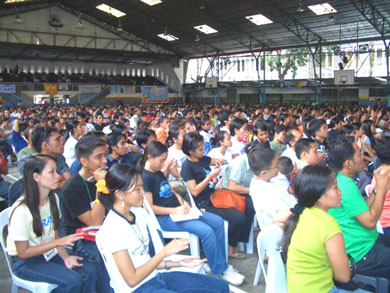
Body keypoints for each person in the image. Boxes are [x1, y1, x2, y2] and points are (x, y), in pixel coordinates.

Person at [96, 163, 229, 293]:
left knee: (220, 286)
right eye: (137, 189)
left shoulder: (138, 213)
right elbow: (132, 279)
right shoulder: (112, 230)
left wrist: (177, 263)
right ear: (120, 194)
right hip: (137, 289)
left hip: (155, 277)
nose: (142, 192)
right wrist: (165, 252)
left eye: (142, 187)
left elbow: (145, 261)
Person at [139, 141, 243, 285]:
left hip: (180, 211)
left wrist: (182, 201)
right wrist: (175, 210)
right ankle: (219, 269)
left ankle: (217, 262)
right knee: (206, 231)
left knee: (217, 222)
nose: (163, 163)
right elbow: (149, 207)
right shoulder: (145, 177)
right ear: (150, 158)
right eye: (161, 160)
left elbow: (171, 189)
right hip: (165, 218)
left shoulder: (157, 172)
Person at [7, 154, 97, 292]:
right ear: (36, 177)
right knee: (72, 281)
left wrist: (65, 257)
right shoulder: (21, 211)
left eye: (56, 171)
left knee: (89, 270)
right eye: (52, 172)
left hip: (49, 252)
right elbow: (23, 253)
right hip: (26, 262)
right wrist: (58, 244)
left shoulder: (52, 198)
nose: (58, 176)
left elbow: (54, 233)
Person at [282, 165, 361, 293]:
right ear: (319, 196)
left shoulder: (302, 212)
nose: (340, 191)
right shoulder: (328, 224)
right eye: (335, 187)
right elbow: (343, 277)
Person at [181, 132, 249, 265]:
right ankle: (226, 248)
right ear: (190, 151)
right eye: (200, 149)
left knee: (244, 206)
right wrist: (210, 176)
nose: (203, 151)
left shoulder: (202, 159)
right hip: (202, 203)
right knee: (238, 218)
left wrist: (220, 162)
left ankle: (229, 246)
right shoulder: (187, 167)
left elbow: (218, 160)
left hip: (213, 196)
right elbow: (194, 191)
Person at [328, 135, 390, 279]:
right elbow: (370, 222)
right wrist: (381, 189)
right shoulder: (344, 186)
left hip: (367, 241)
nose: (363, 157)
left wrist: (377, 189)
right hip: (360, 252)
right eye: (359, 154)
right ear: (348, 163)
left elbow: (363, 208)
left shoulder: (343, 180)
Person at [62, 135, 111, 292]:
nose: (105, 161)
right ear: (84, 162)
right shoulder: (72, 188)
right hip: (80, 237)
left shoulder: (105, 177)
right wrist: (100, 187)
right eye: (99, 157)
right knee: (102, 255)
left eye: (105, 155)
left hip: (105, 229)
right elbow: (94, 222)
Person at [249, 146, 296, 228]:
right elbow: (291, 214)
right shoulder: (264, 192)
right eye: (276, 165)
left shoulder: (270, 179)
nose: (279, 167)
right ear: (264, 173)